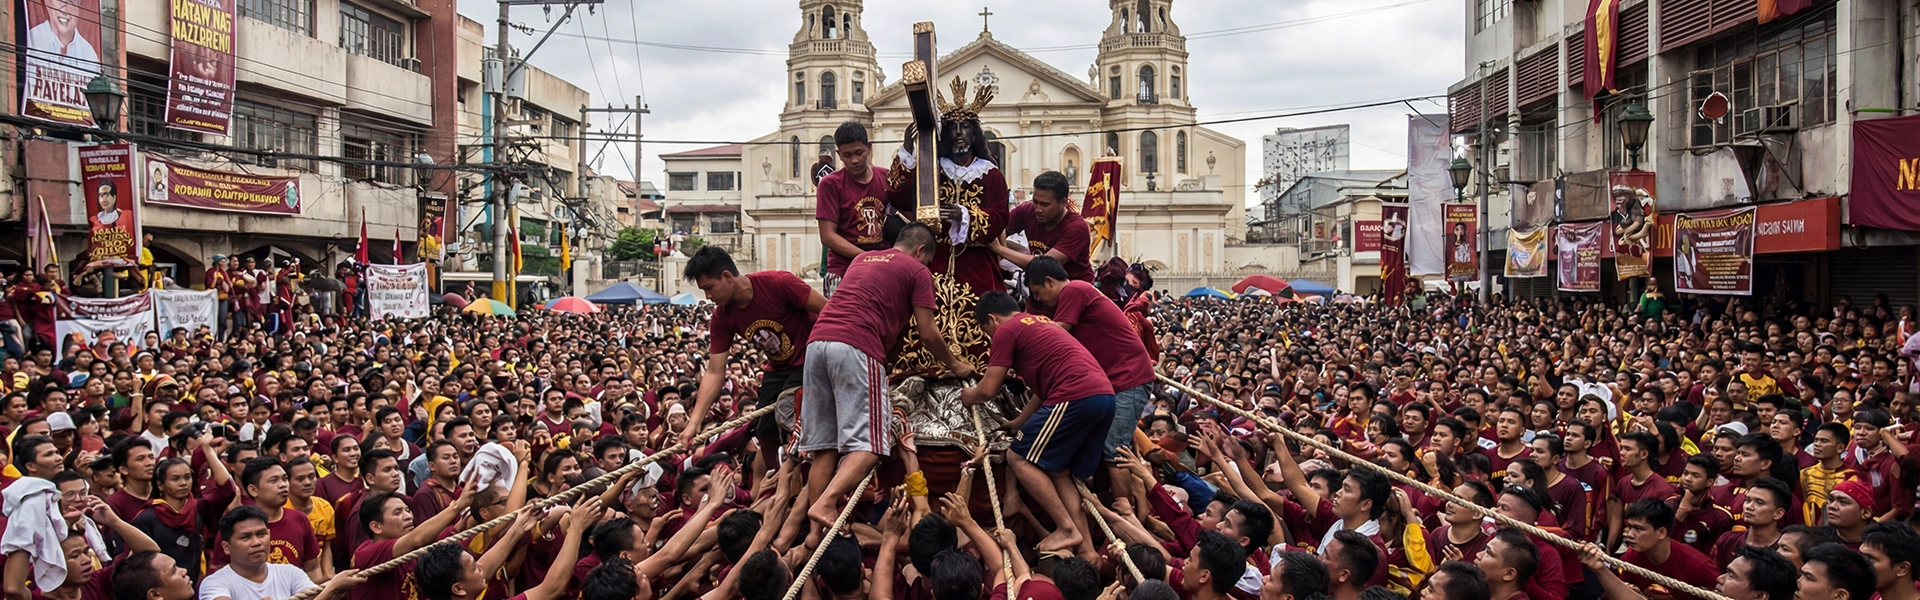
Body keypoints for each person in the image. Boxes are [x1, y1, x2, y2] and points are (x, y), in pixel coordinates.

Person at [799, 222, 971, 529]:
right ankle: (826, 502)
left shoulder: (861, 259)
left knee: (824, 446)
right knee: (871, 445)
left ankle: (816, 531)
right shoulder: (916, 270)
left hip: (817, 344)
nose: (926, 266)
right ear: (921, 250)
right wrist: (955, 364)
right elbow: (928, 332)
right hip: (856, 346)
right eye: (927, 260)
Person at [961, 290, 1115, 553]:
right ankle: (1087, 549)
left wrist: (968, 395)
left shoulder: (1006, 330)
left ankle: (1066, 528)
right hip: (1103, 396)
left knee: (1018, 457)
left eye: (987, 332)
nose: (991, 338)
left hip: (1075, 395)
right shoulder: (1041, 323)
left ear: (992, 319)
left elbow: (988, 389)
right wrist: (1020, 421)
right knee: (1058, 469)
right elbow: (1043, 391)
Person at [1020, 255, 1157, 503]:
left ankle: (1125, 511)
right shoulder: (1074, 293)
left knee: (1115, 450)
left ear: (1049, 281)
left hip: (1128, 379)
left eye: (1037, 292)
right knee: (1111, 447)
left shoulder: (1074, 289)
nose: (1038, 300)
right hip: (1112, 383)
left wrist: (1017, 336)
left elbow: (1054, 334)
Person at [680, 245, 825, 477]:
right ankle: (775, 479)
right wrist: (694, 423)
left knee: (789, 410)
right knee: (764, 430)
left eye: (709, 288)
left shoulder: (778, 283)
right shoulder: (722, 317)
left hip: (811, 359)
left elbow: (827, 309)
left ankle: (803, 475)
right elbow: (715, 371)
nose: (707, 297)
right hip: (777, 368)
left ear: (727, 276)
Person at [199, 506, 363, 600]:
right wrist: (332, 587)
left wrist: (334, 589)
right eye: (245, 537)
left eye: (261, 534)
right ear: (226, 547)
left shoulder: (289, 573)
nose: (256, 542)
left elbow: (315, 596)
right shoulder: (215, 584)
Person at [814, 122, 891, 286]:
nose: (855, 160)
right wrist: (867, 258)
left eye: (859, 153)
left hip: (884, 269)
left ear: (869, 148)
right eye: (847, 155)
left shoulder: (887, 178)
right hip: (844, 272)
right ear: (839, 155)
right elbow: (827, 236)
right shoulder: (830, 185)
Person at [995, 171, 1093, 281]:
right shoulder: (1025, 211)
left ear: (1063, 203)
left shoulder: (1077, 227)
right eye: (1035, 202)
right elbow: (998, 230)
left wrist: (999, 249)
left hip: (1072, 286)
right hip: (1040, 286)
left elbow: (1044, 266)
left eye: (1045, 204)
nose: (1038, 209)